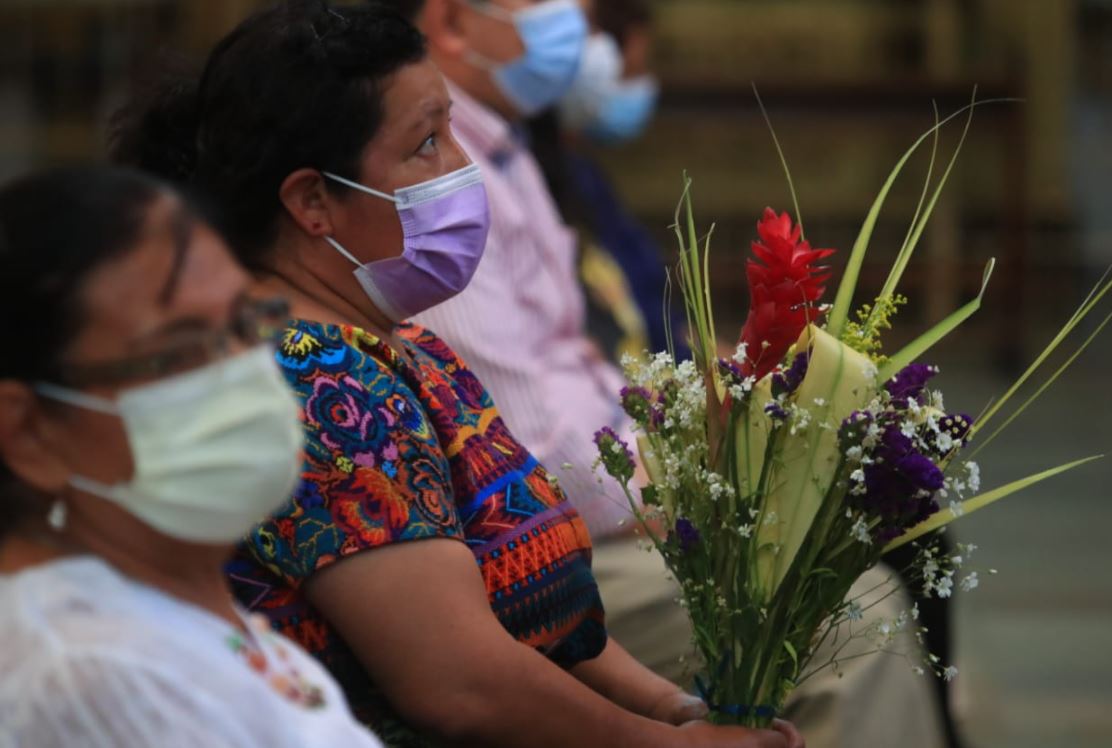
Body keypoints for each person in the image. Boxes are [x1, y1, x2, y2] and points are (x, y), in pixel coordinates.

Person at [110, 3, 803, 747]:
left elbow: (558, 627)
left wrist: (674, 708)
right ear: (312, 201)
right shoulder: (320, 383)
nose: (461, 171)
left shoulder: (409, 346)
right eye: (427, 145)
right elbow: (460, 682)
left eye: (452, 133)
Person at [399, 0, 947, 745]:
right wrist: (709, 478)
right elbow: (535, 456)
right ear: (452, 23)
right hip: (559, 535)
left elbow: (579, 364)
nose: (573, 18)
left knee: (890, 504)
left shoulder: (507, 148)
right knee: (858, 614)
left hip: (609, 496)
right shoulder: (447, 185)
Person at [0, 165, 386, 747]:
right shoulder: (95, 676)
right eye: (178, 354)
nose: (243, 371)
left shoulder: (170, 610)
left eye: (242, 323)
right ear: (29, 433)